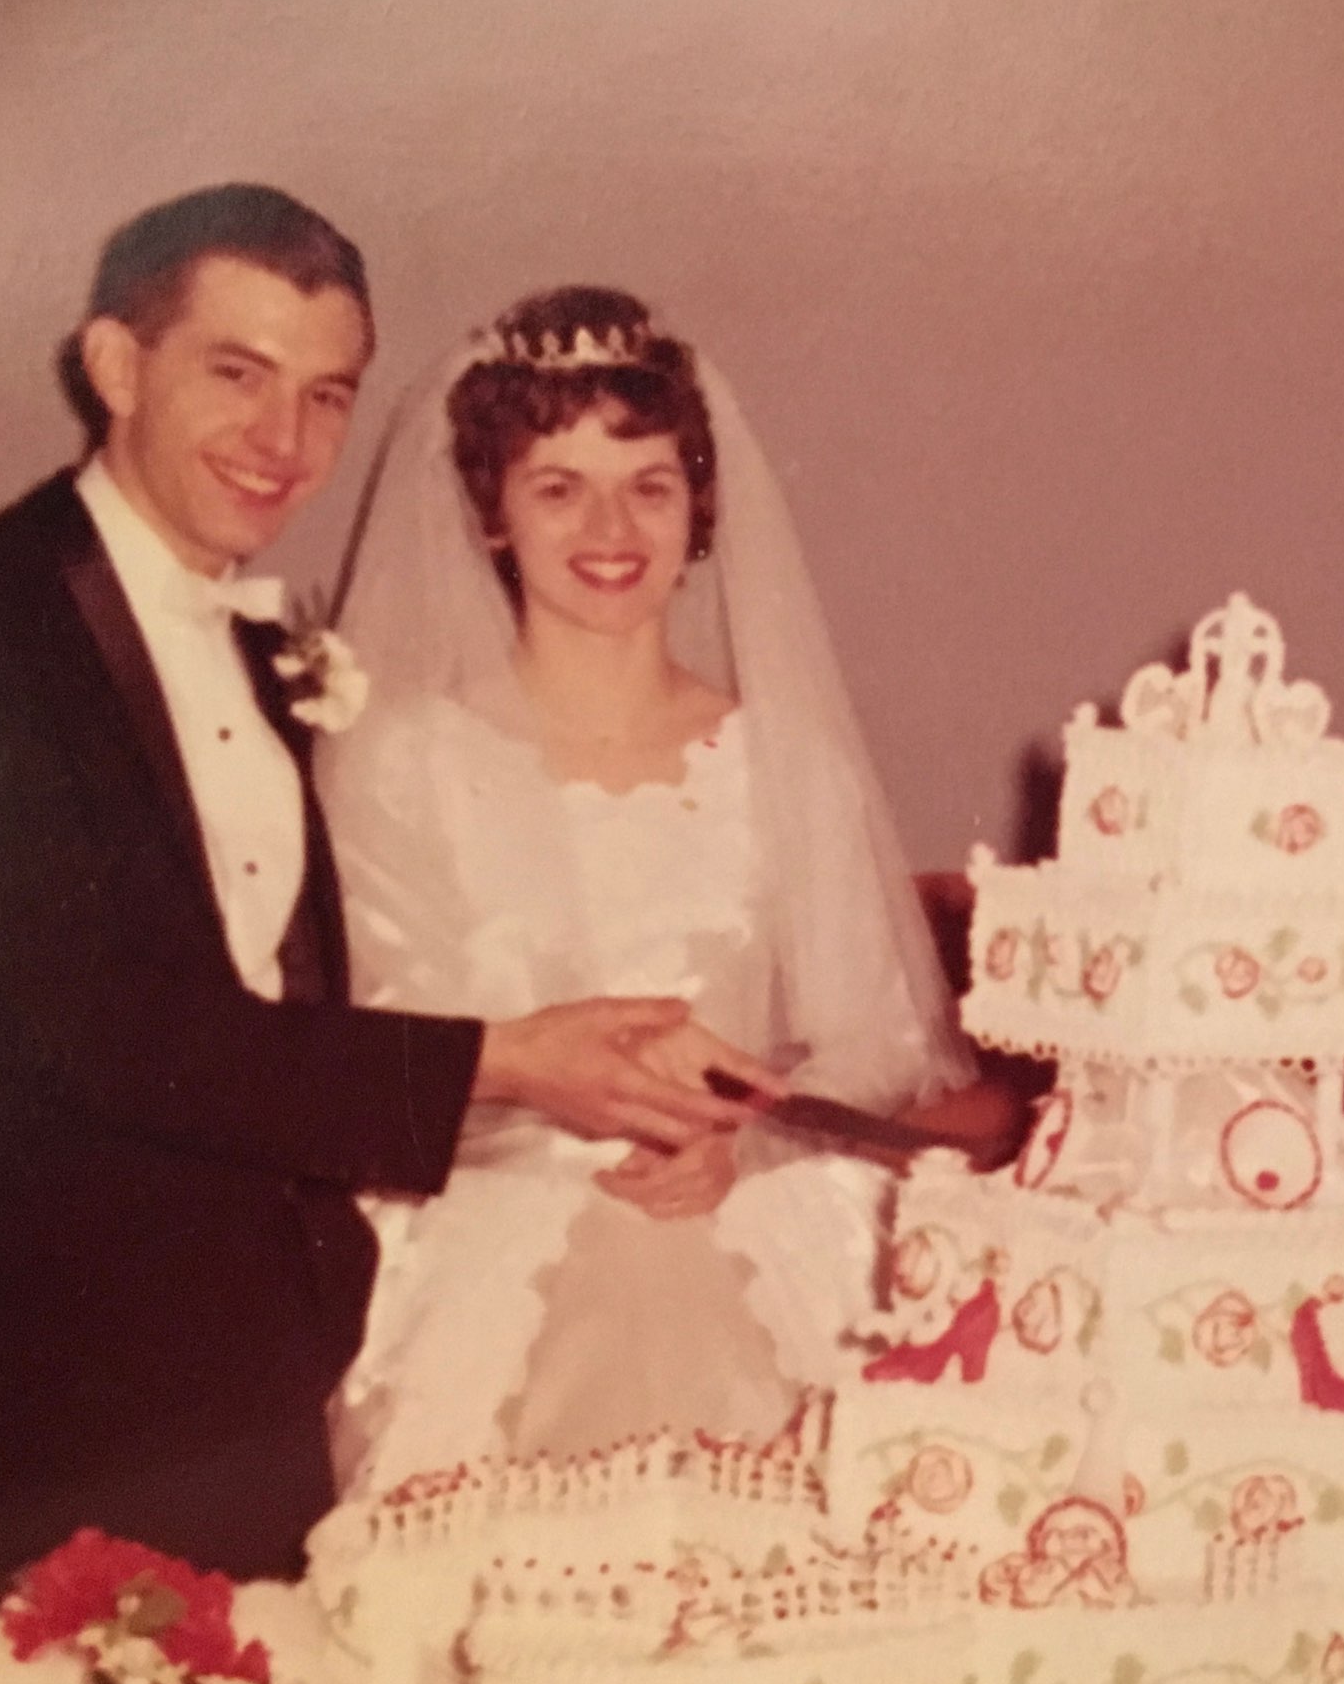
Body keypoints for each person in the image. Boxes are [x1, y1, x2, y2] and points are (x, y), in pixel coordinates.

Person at [0, 188, 777, 1684]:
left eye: (325, 395)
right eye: (234, 374)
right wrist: (517, 1060)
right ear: (115, 363)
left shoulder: (282, 660)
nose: (284, 440)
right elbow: (92, 1024)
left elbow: (321, 1019)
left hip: (240, 1405)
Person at [311, 285, 967, 1571]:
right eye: (559, 487)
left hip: (748, 1196)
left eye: (649, 486)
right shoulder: (400, 764)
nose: (609, 528)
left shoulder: (785, 760)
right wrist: (563, 1106)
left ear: (699, 513)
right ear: (493, 515)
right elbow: (373, 1054)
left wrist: (737, 1138)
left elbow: (871, 1042)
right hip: (491, 1216)